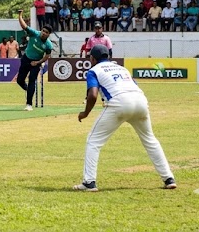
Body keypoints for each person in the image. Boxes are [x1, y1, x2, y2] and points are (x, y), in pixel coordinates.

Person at [74, 45, 177, 192]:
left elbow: (93, 95)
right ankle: (169, 178)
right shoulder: (122, 68)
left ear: (93, 58)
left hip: (119, 103)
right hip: (140, 101)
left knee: (93, 141)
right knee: (150, 140)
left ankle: (89, 182)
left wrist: (85, 113)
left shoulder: (93, 70)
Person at [15, 10, 53, 111]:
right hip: (26, 59)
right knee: (20, 80)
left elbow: (47, 56)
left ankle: (29, 104)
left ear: (49, 34)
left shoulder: (48, 45)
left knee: (32, 79)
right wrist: (20, 15)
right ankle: (28, 90)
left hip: (36, 63)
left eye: (46, 32)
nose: (44, 33)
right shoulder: (34, 34)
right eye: (43, 31)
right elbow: (24, 26)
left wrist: (38, 62)